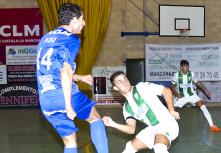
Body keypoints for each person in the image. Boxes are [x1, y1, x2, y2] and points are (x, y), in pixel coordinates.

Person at [36, 3, 108, 153]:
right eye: (82, 19)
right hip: (63, 94)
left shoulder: (45, 39)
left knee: (70, 142)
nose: (84, 23)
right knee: (95, 118)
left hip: (46, 100)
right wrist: (68, 105)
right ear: (74, 20)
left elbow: (53, 70)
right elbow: (65, 72)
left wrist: (80, 77)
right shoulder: (71, 39)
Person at [103, 71, 180, 153]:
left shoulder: (141, 87)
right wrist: (113, 124)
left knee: (159, 148)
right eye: (120, 82)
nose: (124, 82)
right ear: (115, 88)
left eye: (125, 79)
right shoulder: (126, 108)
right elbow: (131, 129)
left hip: (167, 124)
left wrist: (171, 110)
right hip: (152, 129)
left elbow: (166, 91)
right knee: (129, 148)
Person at [171, 60, 221, 132]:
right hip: (181, 96)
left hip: (192, 95)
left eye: (187, 67)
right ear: (181, 67)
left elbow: (198, 83)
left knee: (203, 106)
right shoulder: (176, 75)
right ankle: (169, 126)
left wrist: (206, 91)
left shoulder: (191, 74)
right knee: (171, 109)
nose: (186, 68)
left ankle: (212, 125)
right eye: (185, 67)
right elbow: (172, 86)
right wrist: (176, 94)